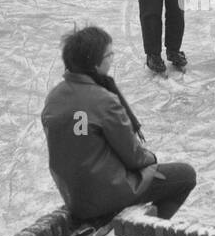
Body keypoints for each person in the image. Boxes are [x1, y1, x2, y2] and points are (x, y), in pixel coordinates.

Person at [41, 25, 197, 222]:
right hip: (107, 192)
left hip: (74, 196)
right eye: (109, 55)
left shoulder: (53, 97)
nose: (112, 59)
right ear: (95, 64)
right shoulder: (103, 99)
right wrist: (152, 159)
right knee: (185, 175)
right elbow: (134, 157)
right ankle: (146, 227)